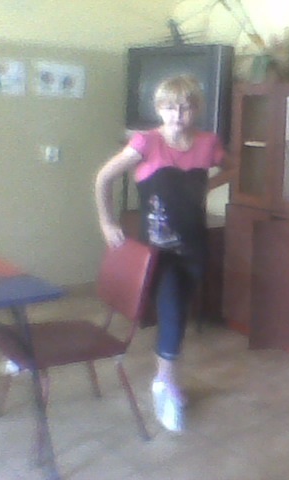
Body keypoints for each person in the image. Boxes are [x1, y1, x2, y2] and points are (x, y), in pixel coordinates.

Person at [94, 74, 234, 433]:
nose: (178, 115)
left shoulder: (208, 142)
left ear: (197, 109)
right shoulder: (146, 142)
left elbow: (232, 167)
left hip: (194, 245)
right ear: (159, 109)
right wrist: (107, 223)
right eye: (171, 108)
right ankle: (167, 384)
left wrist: (207, 186)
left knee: (179, 314)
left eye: (186, 108)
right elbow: (104, 178)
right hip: (158, 250)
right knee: (171, 314)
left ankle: (162, 378)